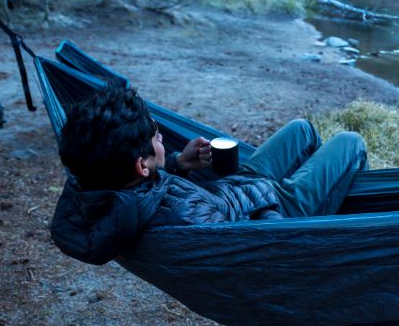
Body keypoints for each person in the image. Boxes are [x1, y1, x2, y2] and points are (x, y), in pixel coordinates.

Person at [50, 86, 367, 265]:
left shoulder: (97, 186)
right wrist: (270, 195)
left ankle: (324, 183)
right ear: (141, 166)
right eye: (156, 138)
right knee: (350, 143)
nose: (161, 138)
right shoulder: (186, 219)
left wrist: (178, 163)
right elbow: (263, 244)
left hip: (232, 190)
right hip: (275, 211)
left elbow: (146, 188)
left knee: (302, 129)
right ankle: (351, 205)